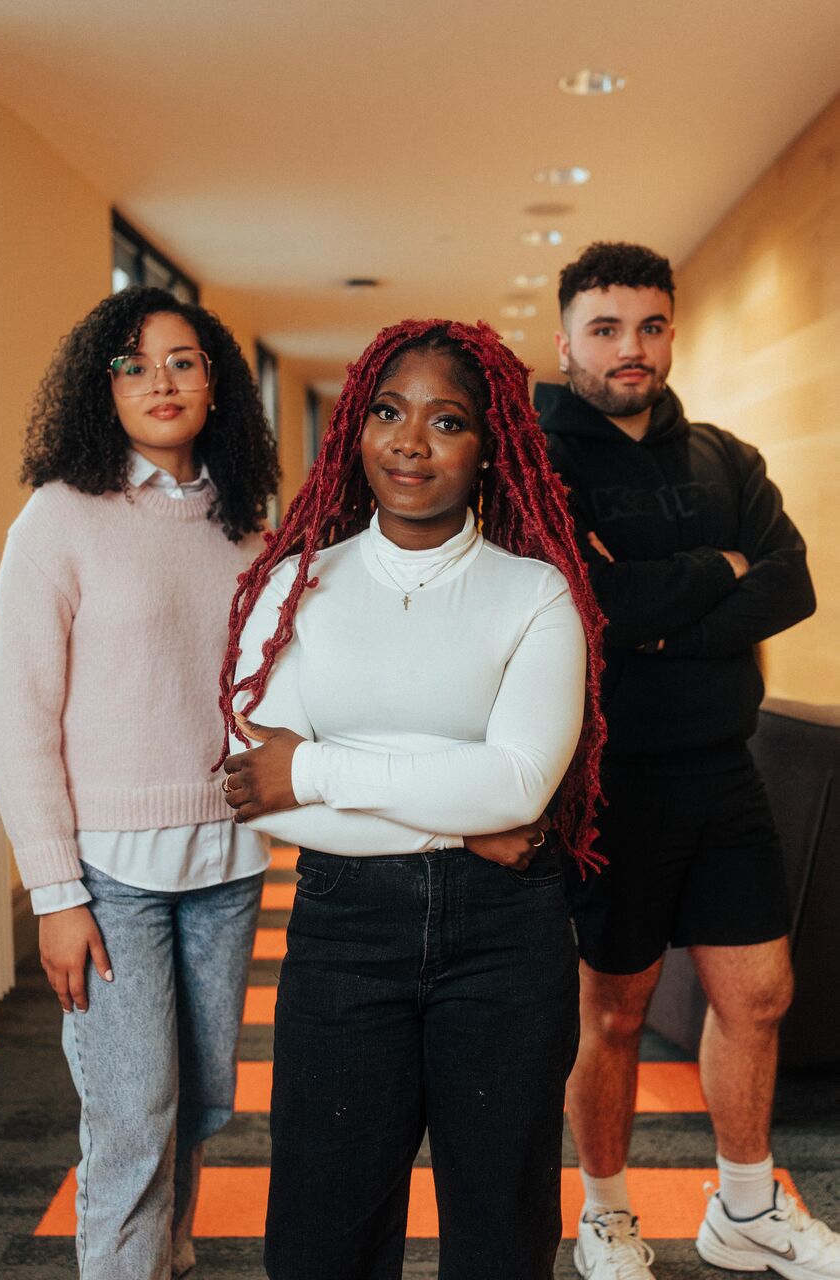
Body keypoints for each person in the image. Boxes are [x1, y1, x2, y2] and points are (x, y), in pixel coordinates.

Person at [217, 318, 606, 1280]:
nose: (410, 441)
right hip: (344, 931)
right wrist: (460, 813)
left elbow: (520, 783)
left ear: (491, 449)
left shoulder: (536, 593)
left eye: (448, 421)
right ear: (356, 427)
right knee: (322, 1227)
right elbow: (256, 791)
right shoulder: (297, 586)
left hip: (506, 936)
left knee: (501, 1224)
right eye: (388, 412)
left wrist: (317, 765)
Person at [537, 241, 839, 1280]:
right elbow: (588, 605)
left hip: (726, 765)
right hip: (609, 779)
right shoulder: (543, 461)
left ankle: (746, 1208)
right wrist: (715, 569)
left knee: (757, 993)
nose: (632, 348)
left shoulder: (722, 454)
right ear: (566, 336)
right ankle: (607, 1212)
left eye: (651, 325)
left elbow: (790, 582)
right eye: (607, 327)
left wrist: (668, 622)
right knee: (612, 1009)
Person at [0, 285, 279, 1280]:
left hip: (228, 859)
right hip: (108, 874)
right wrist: (56, 891)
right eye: (134, 362)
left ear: (216, 382)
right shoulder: (60, 517)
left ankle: (167, 1248)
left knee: (199, 1099)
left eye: (185, 359)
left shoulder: (246, 519)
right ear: (99, 385)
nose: (161, 379)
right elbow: (17, 718)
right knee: (130, 1112)